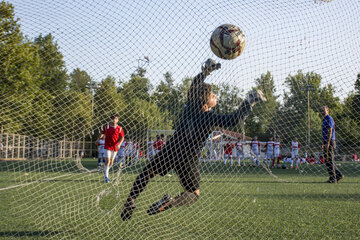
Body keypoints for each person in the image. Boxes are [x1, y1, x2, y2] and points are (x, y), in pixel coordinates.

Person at [120, 58, 266, 220]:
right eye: (212, 95)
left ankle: (130, 200)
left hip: (171, 149)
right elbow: (233, 120)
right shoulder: (209, 117)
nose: (215, 96)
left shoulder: (189, 108)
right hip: (188, 158)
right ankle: (170, 202)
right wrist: (249, 101)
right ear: (205, 105)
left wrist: (205, 72)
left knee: (147, 172)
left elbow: (193, 87)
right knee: (194, 194)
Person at [99, 114, 125, 183]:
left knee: (111, 162)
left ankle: (106, 170)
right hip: (107, 146)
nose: (114, 120)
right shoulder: (107, 127)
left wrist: (119, 144)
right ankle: (106, 177)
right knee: (107, 160)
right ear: (111, 119)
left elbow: (122, 138)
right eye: (113, 118)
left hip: (115, 146)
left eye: (115, 118)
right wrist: (98, 139)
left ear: (117, 120)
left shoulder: (119, 128)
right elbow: (102, 133)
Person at [320, 106, 343, 183]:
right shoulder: (324, 119)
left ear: (328, 111)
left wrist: (328, 143)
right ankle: (338, 175)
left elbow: (330, 130)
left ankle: (333, 178)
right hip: (326, 141)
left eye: (324, 111)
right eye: (321, 111)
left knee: (329, 160)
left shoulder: (329, 119)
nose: (322, 112)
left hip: (330, 141)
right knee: (327, 161)